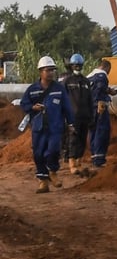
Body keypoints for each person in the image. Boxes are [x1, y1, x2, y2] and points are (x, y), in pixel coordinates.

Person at [19, 56, 69, 193]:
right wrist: (32, 107)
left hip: (55, 127)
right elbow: (24, 104)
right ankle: (43, 181)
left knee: (53, 150)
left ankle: (52, 172)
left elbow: (67, 107)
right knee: (38, 154)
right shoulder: (32, 89)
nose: (51, 73)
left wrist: (71, 123)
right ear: (41, 72)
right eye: (48, 70)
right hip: (38, 127)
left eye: (53, 70)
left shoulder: (59, 89)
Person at [61, 53, 94, 175]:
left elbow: (90, 99)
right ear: (71, 66)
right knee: (73, 139)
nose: (78, 67)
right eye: (75, 65)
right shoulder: (67, 81)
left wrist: (91, 116)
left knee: (82, 139)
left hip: (84, 116)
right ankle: (72, 164)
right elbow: (62, 99)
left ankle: (79, 162)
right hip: (72, 116)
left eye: (79, 65)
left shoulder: (86, 81)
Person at [85, 59, 117, 169]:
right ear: (107, 68)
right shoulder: (102, 76)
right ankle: (99, 159)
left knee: (93, 131)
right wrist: (100, 101)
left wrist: (109, 91)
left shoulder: (89, 76)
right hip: (99, 108)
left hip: (90, 108)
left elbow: (95, 89)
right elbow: (99, 89)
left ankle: (94, 156)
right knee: (102, 131)